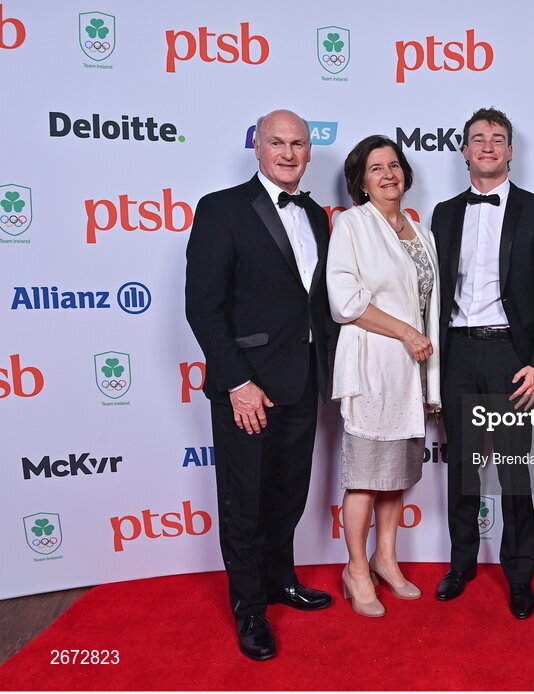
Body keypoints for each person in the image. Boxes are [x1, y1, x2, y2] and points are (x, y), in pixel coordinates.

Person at [184, 109, 335, 661]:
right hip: (247, 388)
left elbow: (313, 306)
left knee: (287, 495)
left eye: (298, 143)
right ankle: (249, 609)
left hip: (300, 382)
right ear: (258, 147)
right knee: (244, 503)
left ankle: (279, 581)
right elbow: (203, 307)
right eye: (278, 142)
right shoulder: (221, 209)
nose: (289, 153)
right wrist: (237, 383)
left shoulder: (318, 215)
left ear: (310, 151)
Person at [431, 107, 534, 619]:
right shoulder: (444, 213)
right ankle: (461, 564)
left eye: (497, 139)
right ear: (464, 150)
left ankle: (518, 574)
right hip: (458, 353)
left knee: (513, 470)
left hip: (512, 356)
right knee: (463, 469)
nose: (487, 146)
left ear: (510, 150)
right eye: (477, 139)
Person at [325, 135, 440, 617]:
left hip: (412, 372)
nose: (389, 174)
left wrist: (422, 353)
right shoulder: (352, 224)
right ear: (361, 181)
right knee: (366, 478)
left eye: (394, 165)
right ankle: (355, 569)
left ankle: (385, 560)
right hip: (374, 364)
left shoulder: (420, 230)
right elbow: (344, 301)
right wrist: (407, 333)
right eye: (376, 168)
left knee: (396, 474)